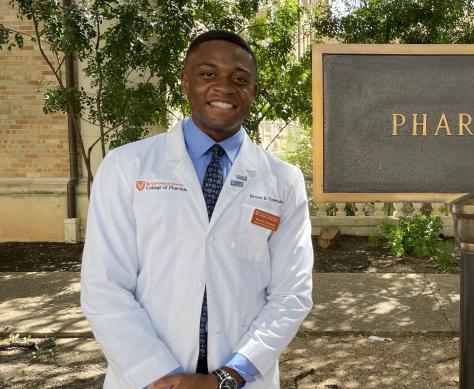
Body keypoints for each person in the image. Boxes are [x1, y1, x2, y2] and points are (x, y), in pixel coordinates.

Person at [80, 30, 314, 389]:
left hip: (241, 376)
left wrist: (228, 376)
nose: (224, 87)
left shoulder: (283, 180)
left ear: (253, 92)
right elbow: (105, 285)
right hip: (146, 378)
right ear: (185, 83)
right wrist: (158, 375)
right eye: (208, 74)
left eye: (240, 79)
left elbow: (291, 295)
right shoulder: (128, 166)